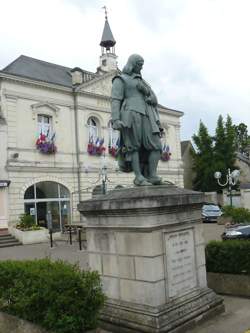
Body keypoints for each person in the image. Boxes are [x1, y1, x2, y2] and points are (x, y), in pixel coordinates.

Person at [111, 54, 164, 186]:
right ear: (132, 64)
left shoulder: (143, 82)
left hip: (147, 115)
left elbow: (154, 100)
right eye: (139, 64)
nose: (141, 67)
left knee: (156, 145)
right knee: (133, 146)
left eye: (142, 65)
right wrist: (116, 119)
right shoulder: (121, 79)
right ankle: (139, 177)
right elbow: (115, 100)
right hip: (130, 114)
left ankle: (152, 175)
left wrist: (146, 91)